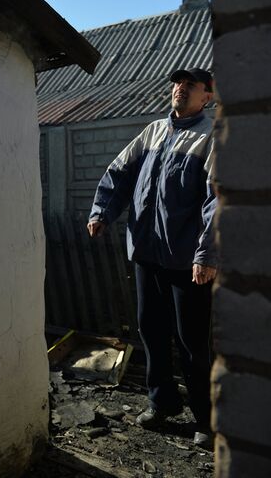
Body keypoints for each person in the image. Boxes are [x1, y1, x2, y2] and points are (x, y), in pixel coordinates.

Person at [86, 68, 217, 448]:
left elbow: (217, 201)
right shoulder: (153, 132)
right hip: (146, 254)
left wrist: (206, 253)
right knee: (151, 332)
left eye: (190, 85)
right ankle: (162, 403)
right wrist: (101, 213)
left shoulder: (210, 139)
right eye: (177, 84)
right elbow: (119, 174)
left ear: (207, 96)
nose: (180, 89)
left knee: (192, 342)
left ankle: (206, 420)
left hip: (187, 262)